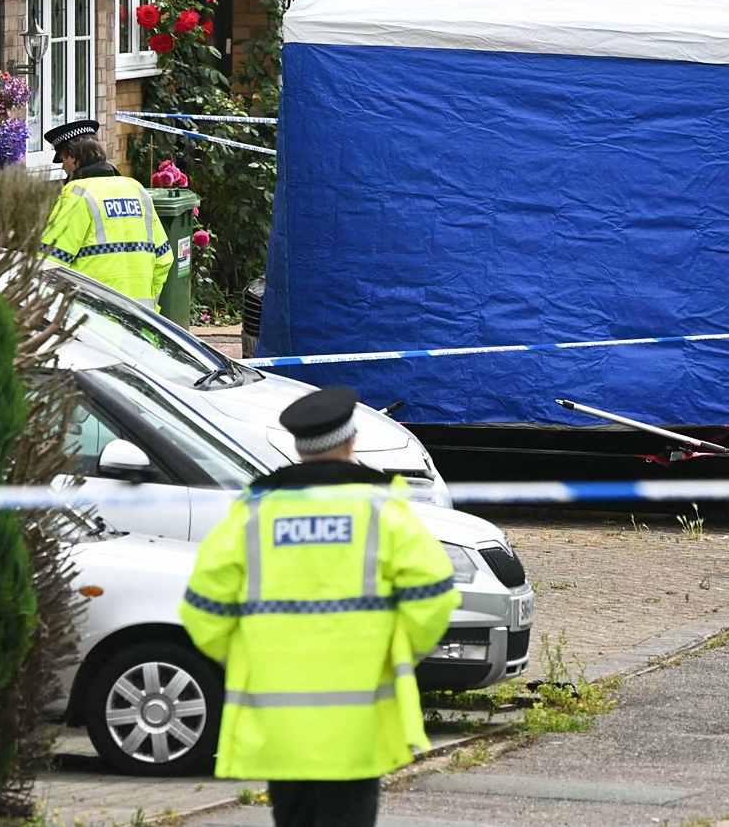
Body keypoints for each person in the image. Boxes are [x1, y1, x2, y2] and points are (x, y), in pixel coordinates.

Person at [179, 386, 459, 827]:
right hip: (359, 722)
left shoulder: (254, 513)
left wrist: (244, 655)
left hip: (279, 724)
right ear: (350, 442)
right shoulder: (382, 507)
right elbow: (434, 593)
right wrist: (400, 651)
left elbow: (202, 607)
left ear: (299, 447)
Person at [37, 119, 171, 308]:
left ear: (73, 156)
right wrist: (150, 299)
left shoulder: (77, 193)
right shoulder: (136, 189)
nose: (63, 168)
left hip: (93, 317)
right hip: (141, 318)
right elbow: (164, 258)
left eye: (63, 159)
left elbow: (50, 259)